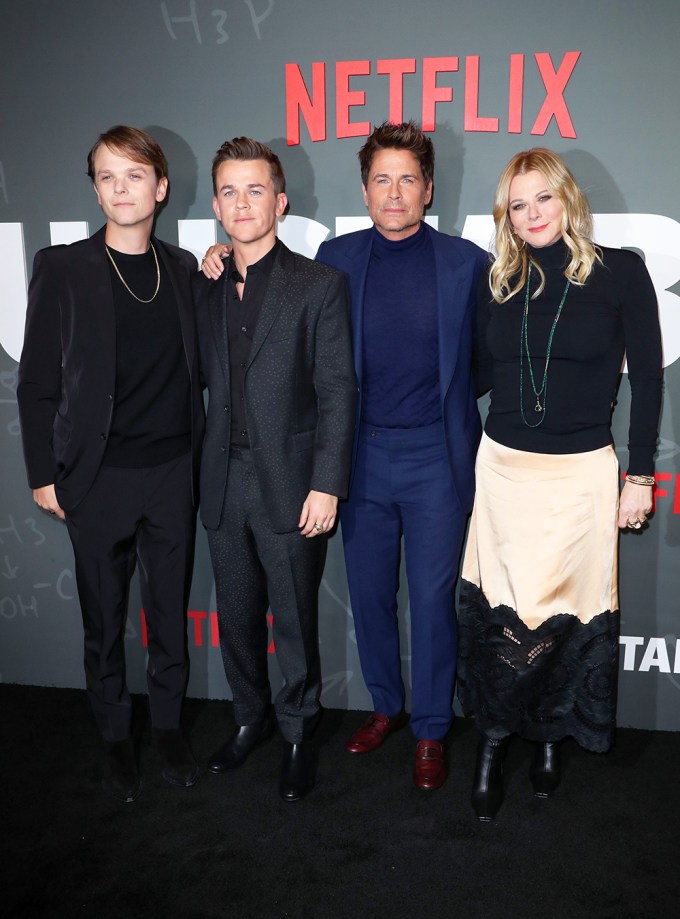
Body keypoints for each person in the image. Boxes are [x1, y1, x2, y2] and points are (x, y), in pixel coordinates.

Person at [459, 147, 663, 821]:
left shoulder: (620, 271)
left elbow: (650, 381)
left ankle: (549, 733)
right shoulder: (499, 280)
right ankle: (492, 742)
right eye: (517, 204)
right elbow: (475, 374)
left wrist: (639, 474)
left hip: (580, 477)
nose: (532, 214)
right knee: (502, 615)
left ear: (567, 197)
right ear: (506, 216)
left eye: (542, 197)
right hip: (505, 472)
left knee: (565, 615)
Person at [17, 125, 205, 803]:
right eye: (106, 176)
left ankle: (167, 726)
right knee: (104, 616)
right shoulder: (63, 267)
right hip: (95, 478)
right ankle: (114, 734)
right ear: (95, 188)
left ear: (159, 187)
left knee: (168, 610)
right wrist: (43, 472)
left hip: (172, 471)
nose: (120, 188)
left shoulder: (183, 269)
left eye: (134, 175)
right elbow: (36, 382)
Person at [315, 121, 487, 790]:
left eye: (407, 178)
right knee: (369, 594)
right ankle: (386, 705)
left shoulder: (465, 262)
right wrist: (220, 259)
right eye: (381, 179)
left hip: (436, 460)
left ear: (429, 188)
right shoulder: (335, 256)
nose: (394, 191)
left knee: (433, 599)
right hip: (359, 458)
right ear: (364, 190)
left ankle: (431, 730)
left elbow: (482, 361)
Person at [194, 138, 356, 801]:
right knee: (235, 615)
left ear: (280, 201)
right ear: (215, 205)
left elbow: (338, 389)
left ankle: (296, 732)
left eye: (255, 190)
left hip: (292, 484)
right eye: (230, 191)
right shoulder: (200, 283)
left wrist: (327, 482)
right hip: (221, 480)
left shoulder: (318, 285)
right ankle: (248, 719)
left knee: (292, 619)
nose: (242, 203)